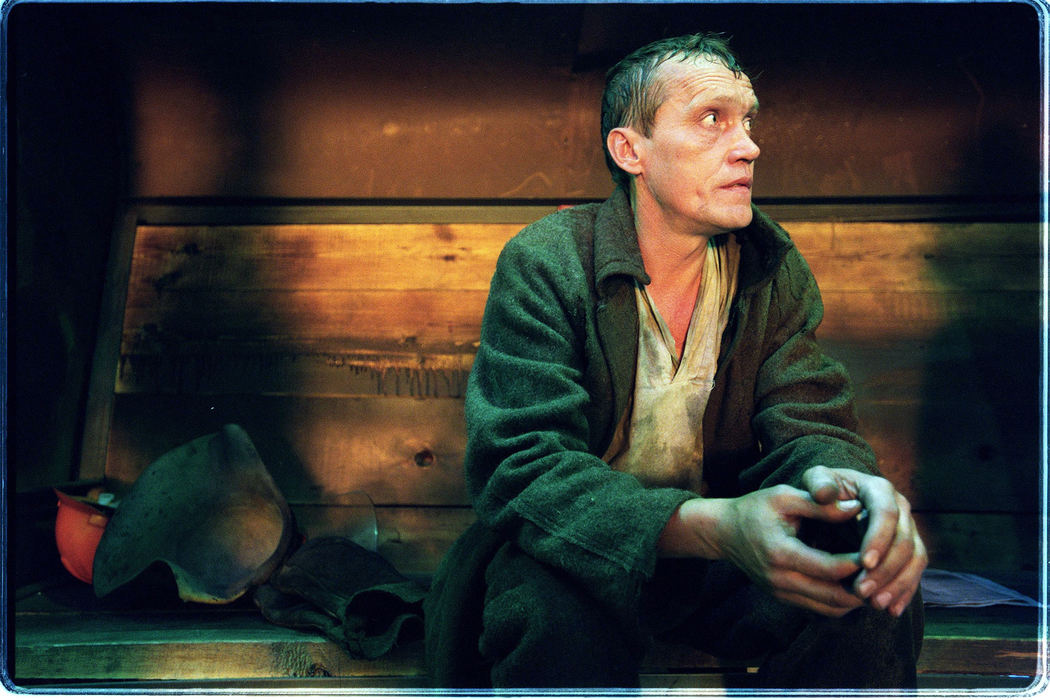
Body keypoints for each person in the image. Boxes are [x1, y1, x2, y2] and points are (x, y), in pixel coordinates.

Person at [424, 32, 927, 690]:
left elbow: (811, 425)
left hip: (727, 565)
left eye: (747, 121)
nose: (747, 145)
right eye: (711, 119)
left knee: (868, 585)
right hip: (576, 558)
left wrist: (856, 494)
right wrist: (717, 528)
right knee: (549, 607)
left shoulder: (769, 267)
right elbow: (520, 469)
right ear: (631, 151)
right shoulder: (547, 262)